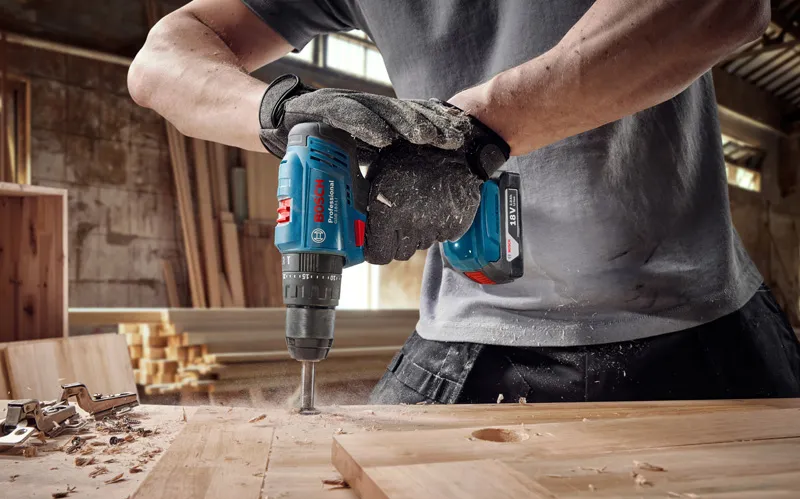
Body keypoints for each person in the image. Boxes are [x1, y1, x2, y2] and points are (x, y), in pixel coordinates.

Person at [129, 0, 800, 404]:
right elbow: (159, 61)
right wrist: (277, 110)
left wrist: (478, 129)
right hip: (468, 330)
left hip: (697, 320)